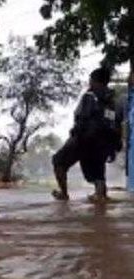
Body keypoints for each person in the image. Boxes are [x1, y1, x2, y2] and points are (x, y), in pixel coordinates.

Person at [52, 67, 123, 202]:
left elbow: (81, 118)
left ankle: (64, 193)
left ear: (96, 81)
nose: (89, 83)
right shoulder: (115, 102)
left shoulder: (89, 96)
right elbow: (118, 125)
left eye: (91, 80)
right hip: (104, 143)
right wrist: (115, 146)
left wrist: (75, 135)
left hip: (84, 139)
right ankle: (101, 195)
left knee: (58, 161)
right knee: (97, 171)